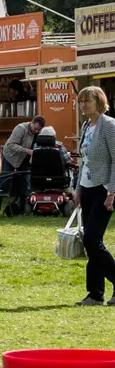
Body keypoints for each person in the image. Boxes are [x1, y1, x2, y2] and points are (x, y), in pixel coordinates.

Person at [79, 87, 115, 305]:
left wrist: (112, 191)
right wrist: (77, 189)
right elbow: (83, 159)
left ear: (99, 102)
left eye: (87, 101)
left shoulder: (109, 126)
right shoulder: (85, 126)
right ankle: (95, 294)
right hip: (87, 187)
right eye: (81, 101)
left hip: (104, 188)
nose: (83, 104)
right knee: (90, 242)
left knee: (92, 238)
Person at [0, 115, 43, 216]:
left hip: (23, 158)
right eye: (35, 129)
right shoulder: (20, 128)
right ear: (31, 123)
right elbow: (11, 145)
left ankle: (21, 207)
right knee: (3, 182)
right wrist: (27, 151)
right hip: (10, 157)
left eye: (39, 130)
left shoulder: (37, 133)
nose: (36, 131)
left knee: (23, 183)